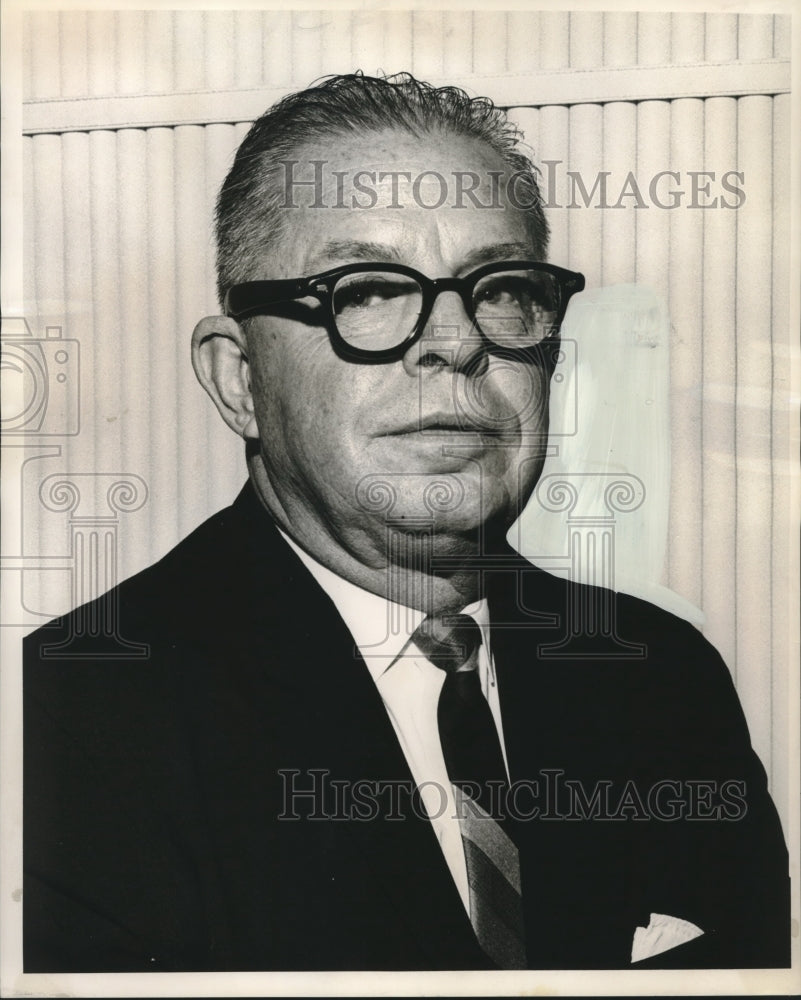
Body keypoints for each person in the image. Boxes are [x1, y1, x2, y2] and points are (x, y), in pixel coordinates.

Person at [23, 72, 789, 973]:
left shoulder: (662, 676)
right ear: (239, 381)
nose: (458, 340)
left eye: (502, 288)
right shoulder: (66, 722)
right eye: (368, 291)